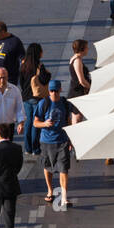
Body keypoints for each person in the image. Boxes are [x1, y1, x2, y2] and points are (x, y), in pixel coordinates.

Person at [33, 81, 74, 209]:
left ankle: (64, 197)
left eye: (56, 90)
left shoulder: (64, 103)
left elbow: (68, 121)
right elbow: (35, 122)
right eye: (51, 91)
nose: (54, 93)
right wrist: (45, 124)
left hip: (62, 140)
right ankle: (50, 191)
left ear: (60, 90)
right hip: (47, 141)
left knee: (64, 168)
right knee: (48, 167)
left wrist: (71, 139)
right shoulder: (43, 103)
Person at [67, 38, 91, 119]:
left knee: (77, 117)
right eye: (87, 47)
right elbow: (81, 80)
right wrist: (91, 88)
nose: (88, 49)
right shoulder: (77, 61)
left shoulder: (76, 58)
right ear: (82, 49)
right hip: (78, 92)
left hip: (77, 91)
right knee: (77, 118)